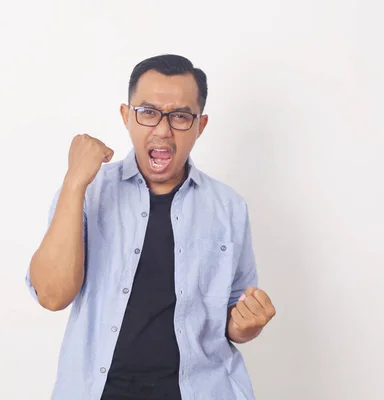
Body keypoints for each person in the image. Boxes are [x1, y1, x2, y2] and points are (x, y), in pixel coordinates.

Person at [26, 54, 276, 400]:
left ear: (200, 125)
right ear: (127, 117)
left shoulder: (228, 207)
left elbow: (234, 317)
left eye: (180, 116)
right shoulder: (87, 190)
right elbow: (52, 296)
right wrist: (74, 183)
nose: (162, 129)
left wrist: (246, 325)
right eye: (148, 113)